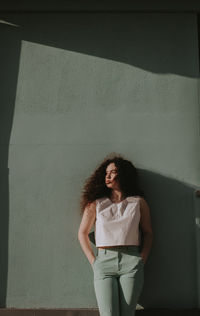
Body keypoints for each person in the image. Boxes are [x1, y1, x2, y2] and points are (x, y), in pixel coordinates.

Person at [78, 154, 153, 316]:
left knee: (127, 313)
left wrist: (141, 260)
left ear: (123, 174)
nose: (108, 176)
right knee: (108, 314)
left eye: (112, 172)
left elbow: (148, 233)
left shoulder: (138, 202)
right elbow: (82, 233)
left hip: (131, 262)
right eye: (106, 173)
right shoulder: (96, 203)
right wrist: (94, 261)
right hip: (104, 262)